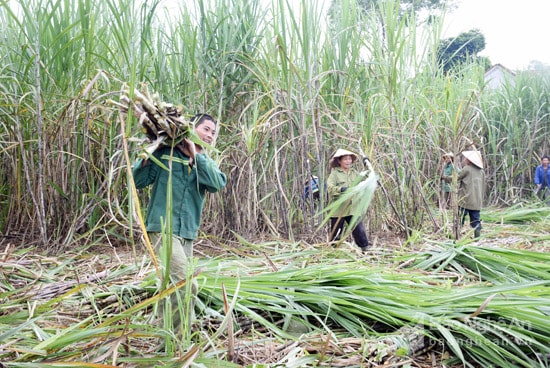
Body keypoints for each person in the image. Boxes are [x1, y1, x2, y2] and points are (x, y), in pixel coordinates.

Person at [132, 113, 227, 327]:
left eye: (213, 132)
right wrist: (147, 155)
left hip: (187, 233)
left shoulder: (206, 163)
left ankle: (159, 326)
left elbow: (217, 184)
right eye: (206, 129)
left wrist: (196, 155)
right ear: (191, 128)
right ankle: (174, 338)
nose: (210, 135)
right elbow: (138, 180)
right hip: (163, 227)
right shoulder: (166, 153)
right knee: (186, 285)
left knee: (171, 284)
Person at [326, 148, 370, 252]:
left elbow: (367, 178)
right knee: (336, 234)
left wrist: (367, 163)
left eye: (350, 159)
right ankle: (333, 253)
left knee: (359, 232)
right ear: (339, 161)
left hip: (353, 208)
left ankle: (365, 250)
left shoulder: (354, 173)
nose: (348, 161)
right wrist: (342, 189)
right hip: (339, 210)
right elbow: (330, 188)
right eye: (345, 159)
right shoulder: (335, 174)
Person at [457, 150, 485, 238]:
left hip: (465, 200)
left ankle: (457, 236)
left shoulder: (467, 169)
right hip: (477, 201)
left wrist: (444, 177)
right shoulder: (482, 172)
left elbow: (456, 178)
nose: (465, 160)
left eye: (466, 158)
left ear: (470, 160)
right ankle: (477, 238)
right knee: (476, 220)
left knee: (460, 218)